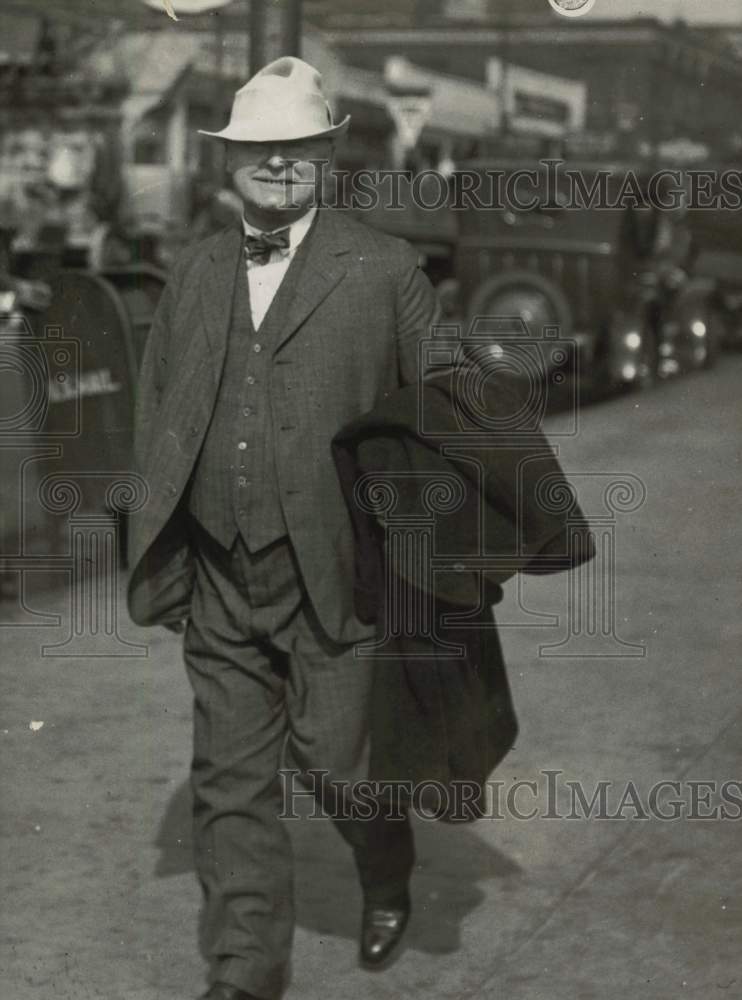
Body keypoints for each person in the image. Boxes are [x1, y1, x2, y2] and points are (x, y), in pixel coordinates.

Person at [127, 57, 439, 1000]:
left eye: (296, 148)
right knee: (229, 782)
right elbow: (158, 416)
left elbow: (445, 426)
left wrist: (421, 573)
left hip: (338, 577)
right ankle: (246, 971)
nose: (276, 165)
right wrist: (169, 551)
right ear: (228, 162)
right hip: (222, 572)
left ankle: (386, 867)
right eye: (259, 149)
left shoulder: (386, 270)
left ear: (326, 156)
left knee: (341, 769)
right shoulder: (194, 271)